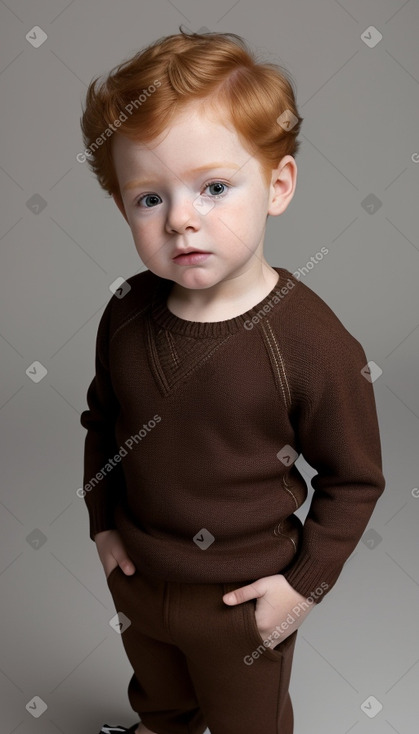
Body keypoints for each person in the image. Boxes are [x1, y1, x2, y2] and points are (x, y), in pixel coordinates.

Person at [79, 27, 386, 734]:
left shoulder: (307, 341)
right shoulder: (127, 314)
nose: (181, 218)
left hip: (239, 598)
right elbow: (102, 425)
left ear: (276, 185)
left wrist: (299, 590)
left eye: (213, 187)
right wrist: (102, 527)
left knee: (248, 721)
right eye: (148, 198)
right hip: (140, 576)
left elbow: (355, 479)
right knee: (160, 703)